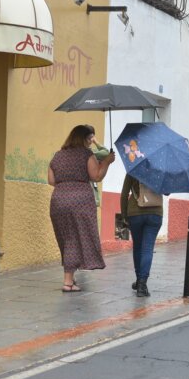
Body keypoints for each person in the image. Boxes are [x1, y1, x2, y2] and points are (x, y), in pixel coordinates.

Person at [48, 125, 116, 293]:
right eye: (89, 139)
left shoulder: (57, 155)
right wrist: (106, 162)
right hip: (80, 200)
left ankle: (71, 276)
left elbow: (51, 180)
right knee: (76, 238)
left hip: (58, 200)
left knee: (67, 238)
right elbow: (96, 176)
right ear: (85, 139)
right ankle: (68, 281)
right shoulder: (86, 154)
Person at [120, 174, 163, 297]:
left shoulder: (133, 169)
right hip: (155, 213)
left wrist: (124, 216)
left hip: (135, 213)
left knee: (138, 248)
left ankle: (139, 280)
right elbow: (166, 192)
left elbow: (124, 195)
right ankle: (142, 285)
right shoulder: (159, 169)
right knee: (147, 249)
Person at [85, 125, 110, 206]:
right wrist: (96, 142)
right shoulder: (89, 152)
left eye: (92, 137)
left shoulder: (92, 151)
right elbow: (106, 152)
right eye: (88, 138)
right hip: (87, 195)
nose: (90, 140)